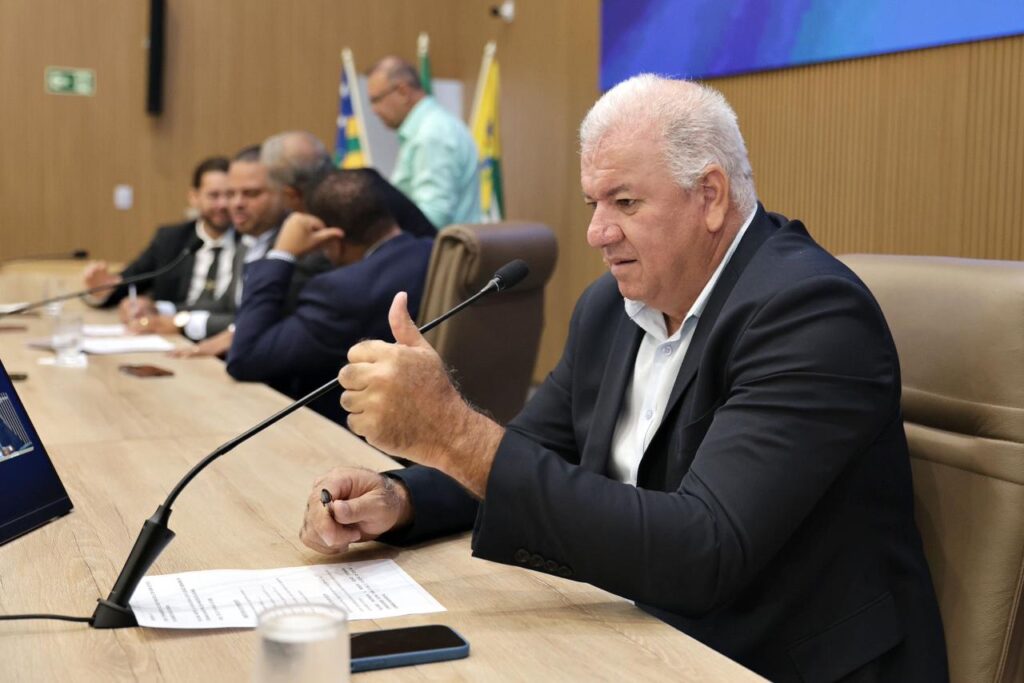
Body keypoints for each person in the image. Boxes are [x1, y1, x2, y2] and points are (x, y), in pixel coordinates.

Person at [300, 76, 949, 682]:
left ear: (711, 196)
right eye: (594, 203)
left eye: (626, 202)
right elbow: (533, 455)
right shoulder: (610, 308)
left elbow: (705, 548)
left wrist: (452, 432)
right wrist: (401, 498)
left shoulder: (810, 314)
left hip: (773, 658)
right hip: (639, 632)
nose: (597, 232)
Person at [226, 169, 434, 425]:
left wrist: (281, 254)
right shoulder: (435, 251)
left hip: (355, 431)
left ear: (332, 238)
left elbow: (246, 358)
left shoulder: (341, 292)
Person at [82, 156, 238, 340]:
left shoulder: (250, 243)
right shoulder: (171, 240)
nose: (223, 204)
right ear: (194, 197)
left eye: (229, 195)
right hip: (169, 338)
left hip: (226, 340)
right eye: (214, 195)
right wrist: (103, 290)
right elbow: (129, 283)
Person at [367, 56, 480, 230]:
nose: (374, 110)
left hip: (438, 246)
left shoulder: (431, 134)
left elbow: (433, 216)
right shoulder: (430, 127)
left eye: (377, 100)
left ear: (403, 92)